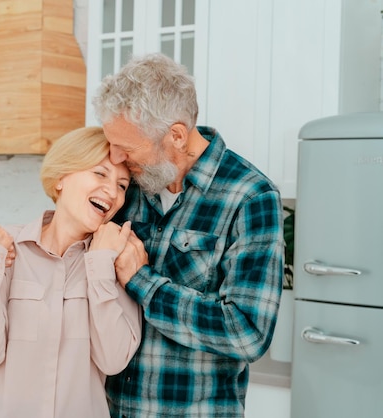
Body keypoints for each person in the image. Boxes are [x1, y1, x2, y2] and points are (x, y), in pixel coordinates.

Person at [92, 53, 284, 417]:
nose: (115, 157)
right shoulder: (129, 184)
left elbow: (247, 333)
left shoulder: (250, 196)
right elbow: (67, 242)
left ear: (176, 135)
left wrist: (142, 281)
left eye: (126, 147)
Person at [0, 126, 143, 418]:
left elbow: (113, 360)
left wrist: (100, 267)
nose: (113, 192)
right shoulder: (5, 248)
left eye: (122, 185)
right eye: (100, 173)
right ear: (60, 179)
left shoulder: (117, 261)